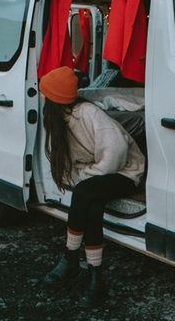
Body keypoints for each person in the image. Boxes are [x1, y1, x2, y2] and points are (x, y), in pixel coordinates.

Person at [39, 66, 145, 307]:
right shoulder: (59, 121)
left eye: (46, 94)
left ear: (54, 99)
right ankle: (96, 280)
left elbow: (116, 152)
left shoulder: (88, 113)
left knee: (86, 192)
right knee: (92, 204)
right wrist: (86, 176)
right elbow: (72, 165)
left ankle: (71, 259)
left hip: (126, 172)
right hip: (100, 174)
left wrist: (89, 176)